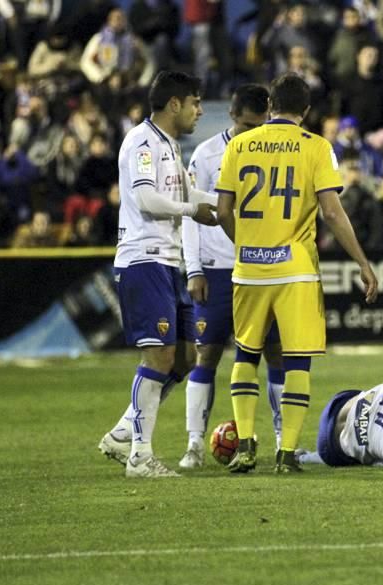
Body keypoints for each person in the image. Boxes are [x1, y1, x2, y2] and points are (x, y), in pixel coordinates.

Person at [215, 74, 379, 474]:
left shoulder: (238, 145)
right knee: (297, 362)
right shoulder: (317, 147)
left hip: (250, 269)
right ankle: (286, 454)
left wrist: (247, 245)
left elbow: (222, 211)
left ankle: (246, 447)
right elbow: (333, 213)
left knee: (245, 355)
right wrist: (362, 261)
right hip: (296, 271)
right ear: (305, 112)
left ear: (270, 105)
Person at [97, 70, 218, 478]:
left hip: (168, 262)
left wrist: (230, 204)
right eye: (195, 103)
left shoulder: (169, 146)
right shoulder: (142, 142)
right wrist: (191, 212)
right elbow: (147, 199)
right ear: (174, 104)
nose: (200, 111)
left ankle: (120, 433)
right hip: (143, 258)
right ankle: (139, 456)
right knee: (160, 354)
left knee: (184, 357)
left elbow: (186, 195)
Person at [178, 84, 285, 470]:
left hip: (265, 268)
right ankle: (193, 445)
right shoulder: (207, 156)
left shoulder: (279, 153)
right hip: (219, 270)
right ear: (233, 117)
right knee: (206, 354)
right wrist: (193, 269)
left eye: (260, 126)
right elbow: (191, 213)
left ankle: (280, 441)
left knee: (275, 352)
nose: (252, 133)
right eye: (245, 126)